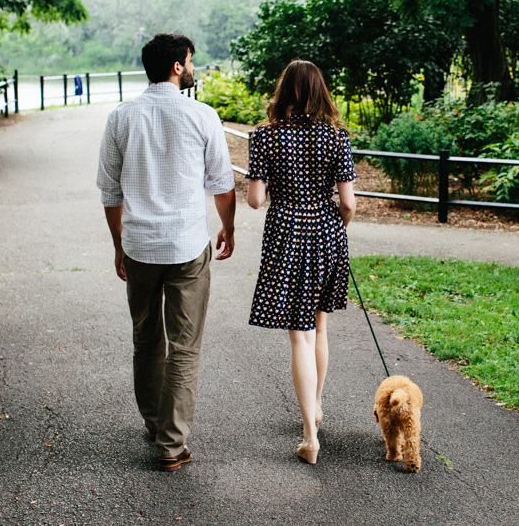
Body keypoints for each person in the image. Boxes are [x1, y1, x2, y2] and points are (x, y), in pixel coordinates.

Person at [96, 32, 236, 472]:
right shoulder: (203, 115)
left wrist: (119, 245)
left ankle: (155, 422)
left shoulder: (122, 116)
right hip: (187, 245)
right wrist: (228, 228)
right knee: (185, 345)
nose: (193, 67)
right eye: (191, 60)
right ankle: (171, 444)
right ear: (177, 66)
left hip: (139, 245)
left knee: (147, 338)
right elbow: (222, 183)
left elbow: (109, 190)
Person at [246, 59, 357, 465]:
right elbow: (348, 203)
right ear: (319, 92)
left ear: (284, 91)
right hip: (327, 231)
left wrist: (270, 189)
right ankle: (317, 405)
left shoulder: (265, 137)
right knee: (320, 327)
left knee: (300, 335)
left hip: (287, 232)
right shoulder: (336, 137)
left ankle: (310, 435)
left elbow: (256, 200)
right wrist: (336, 225)